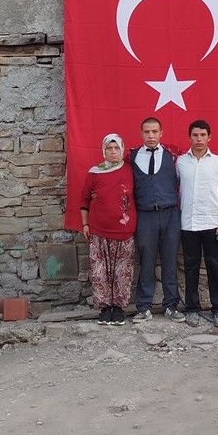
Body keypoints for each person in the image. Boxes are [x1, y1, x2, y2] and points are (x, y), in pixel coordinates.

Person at [176, 119, 218, 328]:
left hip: (213, 224)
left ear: (209, 137)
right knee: (190, 268)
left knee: (213, 267)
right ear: (189, 137)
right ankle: (192, 309)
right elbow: (175, 190)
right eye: (195, 135)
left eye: (202, 135)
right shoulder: (181, 162)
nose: (199, 139)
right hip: (188, 224)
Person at [129, 116, 185, 324]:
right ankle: (143, 307)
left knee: (170, 260)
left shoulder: (174, 155)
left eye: (155, 132)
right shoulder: (132, 156)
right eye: (147, 132)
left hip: (170, 214)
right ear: (141, 133)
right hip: (145, 216)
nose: (151, 136)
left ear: (161, 133)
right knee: (146, 262)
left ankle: (171, 305)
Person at [79, 133, 137, 325]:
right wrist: (85, 224)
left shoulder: (131, 170)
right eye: (109, 148)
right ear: (103, 150)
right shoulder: (94, 172)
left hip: (124, 231)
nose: (113, 152)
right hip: (98, 231)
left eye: (116, 148)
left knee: (122, 272)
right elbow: (84, 200)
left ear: (122, 149)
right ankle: (104, 308)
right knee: (99, 272)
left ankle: (119, 309)